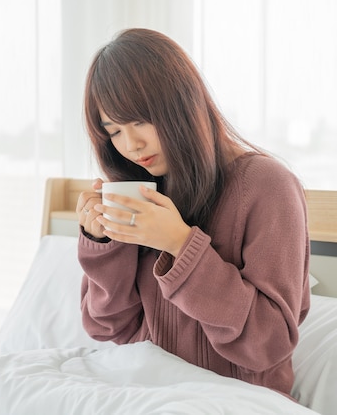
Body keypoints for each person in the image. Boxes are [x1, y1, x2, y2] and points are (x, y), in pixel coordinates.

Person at [76, 28, 310, 400]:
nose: (130, 145)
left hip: (235, 402)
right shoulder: (143, 186)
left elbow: (268, 344)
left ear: (180, 103)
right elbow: (108, 329)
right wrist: (103, 244)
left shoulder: (269, 186)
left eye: (139, 121)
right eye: (115, 131)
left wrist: (179, 244)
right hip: (138, 395)